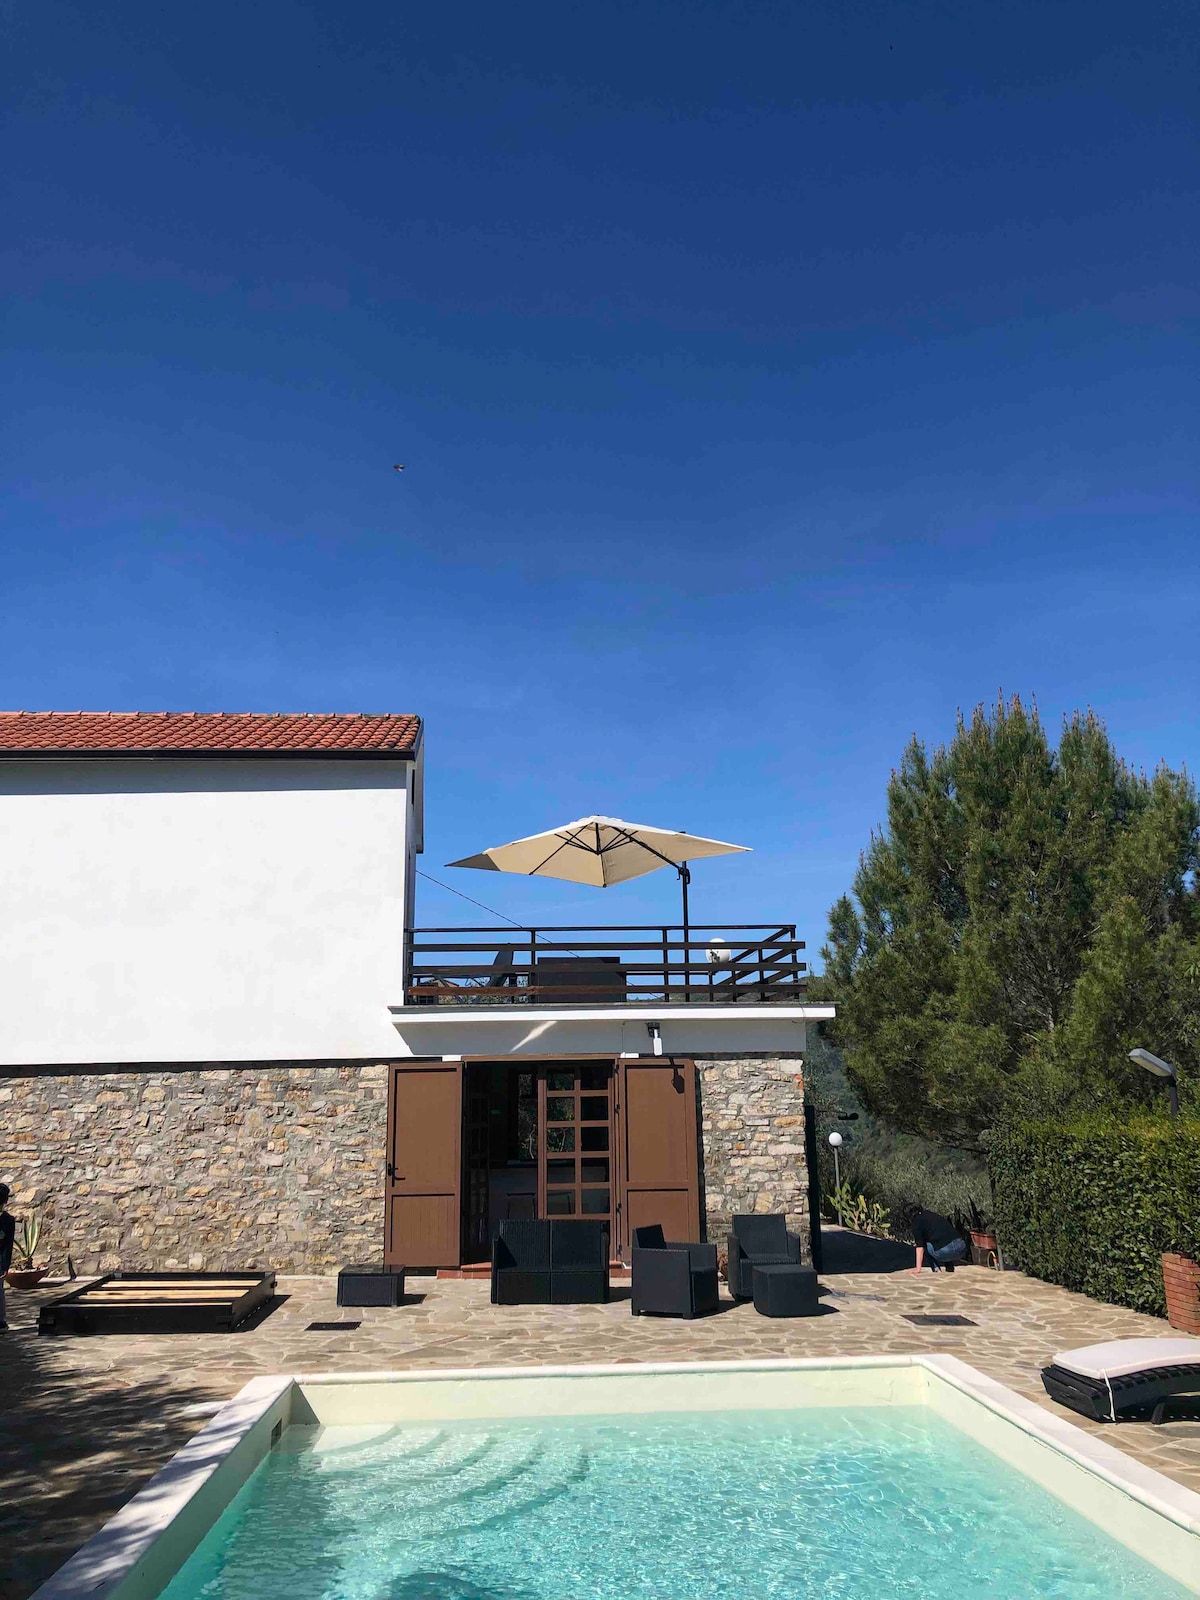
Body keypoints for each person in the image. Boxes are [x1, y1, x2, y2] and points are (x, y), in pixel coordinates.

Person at [909, 1207, 968, 1274]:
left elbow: (920, 1248)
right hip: (961, 1249)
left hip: (948, 1252)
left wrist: (918, 1269)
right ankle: (949, 1267)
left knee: (925, 1244)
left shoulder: (916, 1223)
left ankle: (936, 1270)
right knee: (943, 1241)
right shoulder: (932, 1215)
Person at [0, 1183, 14, 1332]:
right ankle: (1, 1321)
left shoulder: (8, 1220)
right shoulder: (8, 1220)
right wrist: (6, 1265)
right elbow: (8, 1245)